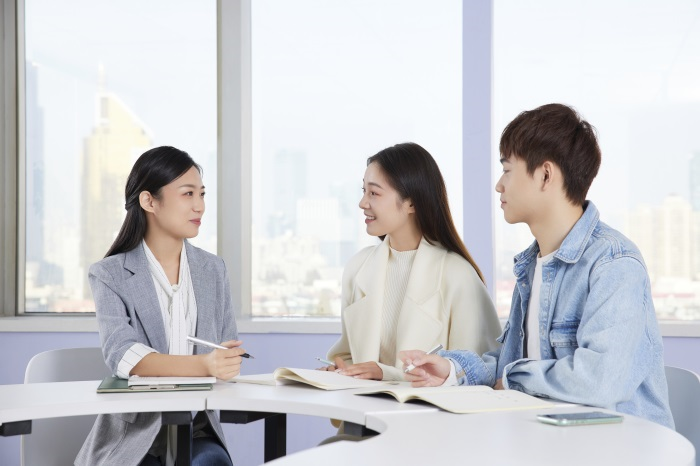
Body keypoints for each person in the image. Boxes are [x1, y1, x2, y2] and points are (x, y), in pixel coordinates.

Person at [400, 104, 674, 429]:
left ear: (545, 175)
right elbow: (510, 364)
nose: (499, 185)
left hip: (622, 451)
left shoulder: (613, 263)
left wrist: (512, 377)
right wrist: (452, 370)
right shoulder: (531, 266)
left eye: (507, 169)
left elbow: (599, 382)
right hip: (553, 443)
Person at [76, 146, 242, 465]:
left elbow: (224, 348)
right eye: (187, 194)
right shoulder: (109, 273)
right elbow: (123, 355)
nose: (199, 206)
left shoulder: (213, 270)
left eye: (202, 194)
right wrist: (205, 365)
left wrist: (227, 361)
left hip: (196, 430)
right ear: (149, 201)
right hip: (134, 433)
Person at [323, 142, 502, 381]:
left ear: (411, 203)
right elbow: (347, 354)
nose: (362, 203)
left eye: (374, 193)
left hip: (426, 417)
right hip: (363, 415)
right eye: (363, 191)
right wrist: (341, 370)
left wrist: (384, 374)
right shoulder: (358, 268)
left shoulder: (458, 275)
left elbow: (475, 374)